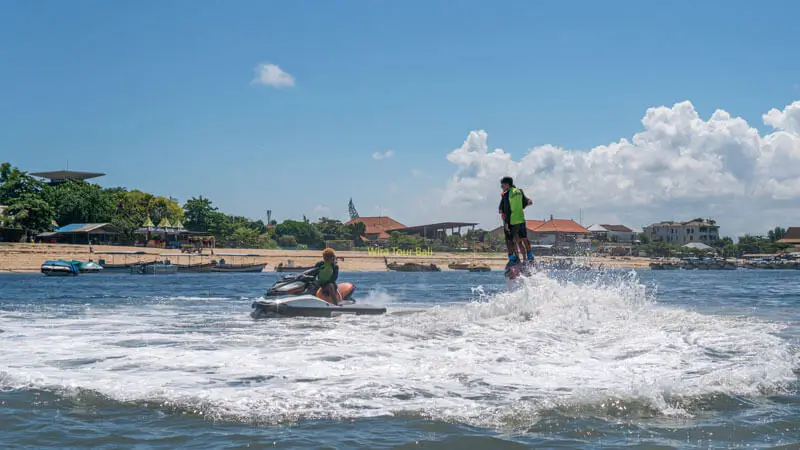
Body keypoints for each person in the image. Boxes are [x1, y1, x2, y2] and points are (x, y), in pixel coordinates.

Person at [498, 176, 534, 265]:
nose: (501, 187)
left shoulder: (506, 195)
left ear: (507, 185)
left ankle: (514, 259)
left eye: (502, 185)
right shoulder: (519, 191)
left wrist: (506, 223)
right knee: (523, 239)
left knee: (512, 241)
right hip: (521, 219)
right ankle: (529, 258)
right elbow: (527, 202)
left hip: (511, 221)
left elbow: (504, 210)